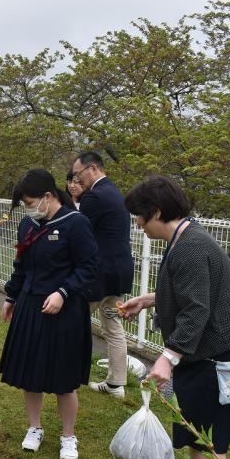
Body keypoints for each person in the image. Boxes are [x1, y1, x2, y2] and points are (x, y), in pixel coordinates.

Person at [120, 176, 230, 459]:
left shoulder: (191, 247)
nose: (138, 224)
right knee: (196, 427)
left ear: (156, 211)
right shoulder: (184, 238)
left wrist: (168, 357)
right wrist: (149, 300)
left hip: (220, 357)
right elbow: (196, 291)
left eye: (139, 216)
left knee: (208, 438)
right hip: (209, 353)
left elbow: (197, 310)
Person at [0, 169, 98, 459]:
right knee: (30, 374)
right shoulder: (28, 224)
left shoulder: (76, 223)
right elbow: (21, 264)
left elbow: (89, 267)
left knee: (63, 378)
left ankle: (68, 436)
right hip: (30, 306)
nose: (29, 209)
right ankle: (35, 427)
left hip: (64, 310)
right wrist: (11, 296)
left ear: (47, 196)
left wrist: (63, 292)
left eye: (31, 203)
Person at [72, 151, 134, 399]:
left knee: (73, 320)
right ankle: (116, 384)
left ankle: (69, 374)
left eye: (78, 174)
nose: (77, 180)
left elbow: (78, 233)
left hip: (97, 276)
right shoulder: (115, 192)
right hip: (119, 274)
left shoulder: (94, 196)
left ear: (93, 168)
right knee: (113, 326)